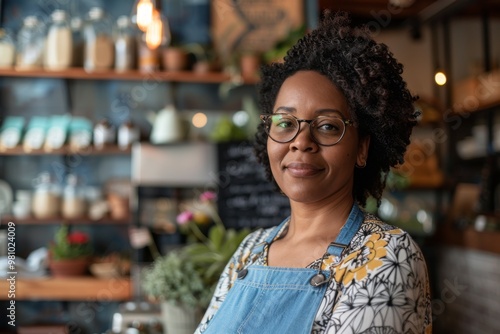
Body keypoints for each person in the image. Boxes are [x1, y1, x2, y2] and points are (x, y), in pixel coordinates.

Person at [195, 11, 432, 334]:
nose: (301, 142)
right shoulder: (251, 250)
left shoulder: (387, 256)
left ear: (363, 147)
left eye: (327, 126)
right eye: (285, 123)